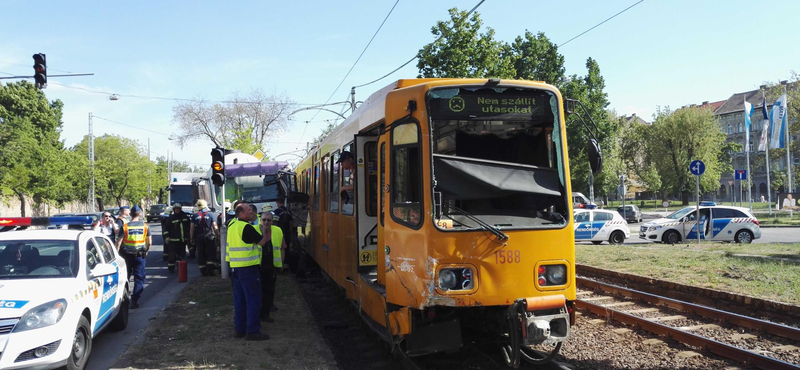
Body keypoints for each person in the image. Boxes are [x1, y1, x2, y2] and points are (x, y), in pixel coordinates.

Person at [227, 203, 271, 341]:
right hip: (248, 268)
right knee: (254, 300)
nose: (251, 212)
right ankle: (252, 331)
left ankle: (239, 329)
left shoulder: (232, 226)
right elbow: (262, 242)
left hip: (235, 268)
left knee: (240, 301)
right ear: (241, 213)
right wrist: (263, 230)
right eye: (248, 210)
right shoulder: (247, 227)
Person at [116, 205, 151, 309]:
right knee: (139, 279)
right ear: (140, 214)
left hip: (126, 256)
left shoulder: (125, 226)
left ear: (130, 214)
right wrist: (147, 250)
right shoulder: (145, 226)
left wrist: (116, 255)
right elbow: (149, 242)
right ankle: (134, 300)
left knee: (125, 278)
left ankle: (123, 299)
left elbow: (118, 243)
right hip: (140, 256)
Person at [259, 211, 286, 323]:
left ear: (272, 221)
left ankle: (265, 314)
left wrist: (282, 263)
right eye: (264, 219)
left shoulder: (277, 231)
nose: (266, 222)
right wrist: (263, 233)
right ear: (260, 220)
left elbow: (282, 247)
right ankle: (258, 314)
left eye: (269, 220)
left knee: (269, 291)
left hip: (272, 266)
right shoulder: (254, 230)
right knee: (258, 291)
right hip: (258, 266)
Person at [190, 199, 219, 276]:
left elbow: (192, 228)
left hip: (199, 236)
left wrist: (191, 238)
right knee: (211, 252)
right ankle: (210, 270)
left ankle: (203, 271)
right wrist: (218, 236)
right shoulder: (211, 214)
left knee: (201, 253)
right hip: (209, 236)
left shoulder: (194, 216)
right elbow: (215, 226)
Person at [166, 203, 191, 273]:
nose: (177, 210)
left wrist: (190, 236)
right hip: (173, 241)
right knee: (172, 255)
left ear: (180, 209)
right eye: (175, 209)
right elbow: (166, 229)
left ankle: (180, 268)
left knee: (181, 255)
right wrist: (167, 237)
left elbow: (190, 227)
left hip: (182, 241)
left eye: (178, 209)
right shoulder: (171, 218)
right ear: (173, 210)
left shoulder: (185, 217)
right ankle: (171, 268)